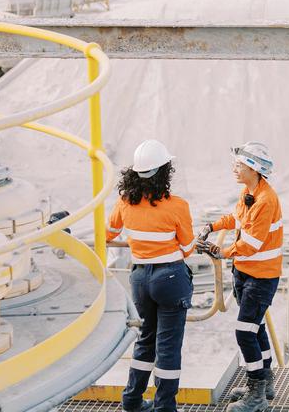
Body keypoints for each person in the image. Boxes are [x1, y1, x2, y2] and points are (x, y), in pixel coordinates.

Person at [107, 139, 196, 412]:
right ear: (164, 172)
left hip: (140, 279)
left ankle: (132, 400)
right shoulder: (176, 206)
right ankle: (164, 407)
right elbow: (189, 248)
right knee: (168, 347)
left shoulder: (124, 203)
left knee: (146, 339)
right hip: (169, 278)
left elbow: (108, 234)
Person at [197, 141, 283, 412]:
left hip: (261, 277)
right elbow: (236, 219)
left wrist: (218, 251)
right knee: (255, 328)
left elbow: (250, 245)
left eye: (239, 165)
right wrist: (211, 226)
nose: (234, 169)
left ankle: (256, 396)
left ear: (254, 170)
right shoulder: (250, 193)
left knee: (244, 331)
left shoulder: (266, 201)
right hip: (246, 273)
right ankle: (264, 381)